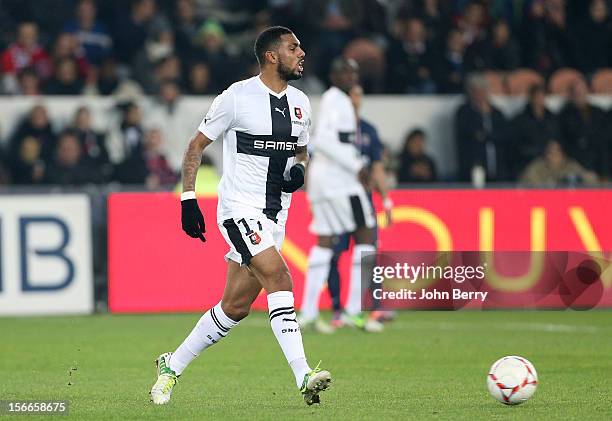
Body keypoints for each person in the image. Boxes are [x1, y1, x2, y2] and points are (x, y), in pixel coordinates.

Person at [150, 26, 331, 407]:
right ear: (271, 56)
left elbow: (302, 151)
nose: (302, 53)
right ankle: (304, 375)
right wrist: (188, 198)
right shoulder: (236, 97)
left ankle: (171, 365)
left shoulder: (301, 102)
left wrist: (299, 168)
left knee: (234, 307)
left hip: (276, 215)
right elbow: (195, 146)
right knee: (280, 276)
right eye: (293, 47)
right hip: (238, 210)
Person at [299, 58, 377, 333]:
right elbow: (322, 140)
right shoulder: (337, 100)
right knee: (366, 232)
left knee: (325, 241)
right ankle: (355, 312)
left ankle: (308, 312)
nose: (350, 76)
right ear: (333, 75)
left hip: (324, 180)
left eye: (353, 72)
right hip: (338, 182)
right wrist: (358, 166)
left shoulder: (336, 100)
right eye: (344, 71)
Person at [325, 84, 393, 333]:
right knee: (333, 255)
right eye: (351, 95)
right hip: (338, 203)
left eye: (358, 95)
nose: (355, 100)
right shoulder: (331, 131)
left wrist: (385, 199)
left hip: (363, 202)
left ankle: (371, 307)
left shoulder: (368, 131)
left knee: (369, 254)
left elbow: (376, 167)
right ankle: (337, 309)